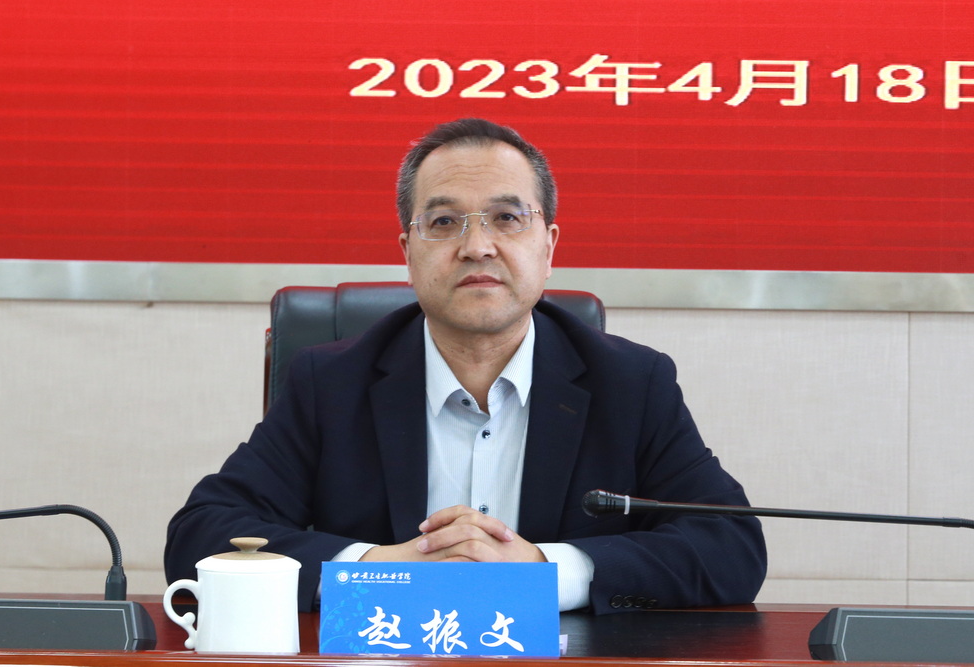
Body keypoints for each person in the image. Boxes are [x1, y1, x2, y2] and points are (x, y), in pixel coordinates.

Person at [164, 118, 767, 614]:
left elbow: (731, 546)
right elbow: (202, 534)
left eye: (507, 218)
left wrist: (543, 571)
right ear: (408, 253)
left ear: (549, 246)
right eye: (444, 222)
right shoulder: (332, 383)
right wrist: (379, 570)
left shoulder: (631, 383)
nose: (477, 247)